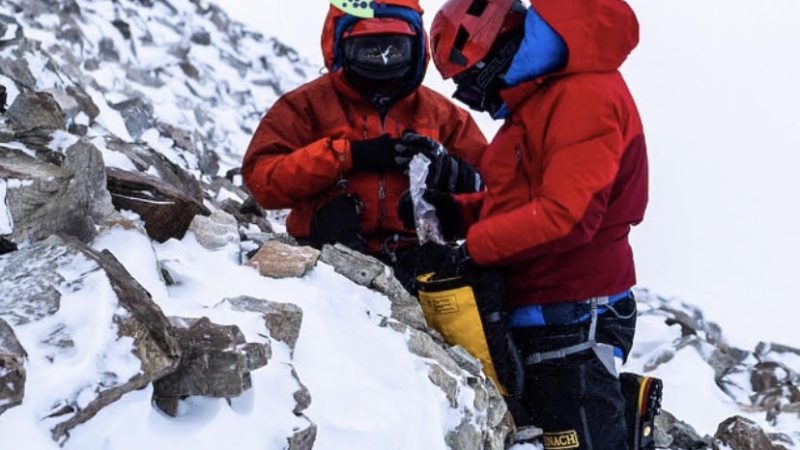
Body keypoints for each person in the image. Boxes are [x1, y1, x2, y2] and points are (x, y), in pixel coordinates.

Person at [418, 0, 662, 448]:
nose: (471, 99)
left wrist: (473, 247)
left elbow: (567, 217)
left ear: (495, 55)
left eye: (471, 84)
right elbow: (525, 199)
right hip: (547, 306)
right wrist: (460, 213)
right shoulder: (543, 97)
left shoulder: (582, 97)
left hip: (573, 310)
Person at [242, 0, 486, 267]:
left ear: (416, 47)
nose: (383, 58)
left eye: (396, 48)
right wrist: (348, 155)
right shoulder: (305, 105)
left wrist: (451, 171)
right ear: (339, 46)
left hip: (420, 257)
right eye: (368, 48)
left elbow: (498, 188)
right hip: (321, 260)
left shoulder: (443, 114)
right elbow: (262, 180)